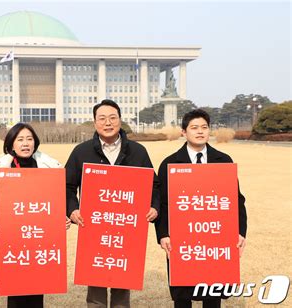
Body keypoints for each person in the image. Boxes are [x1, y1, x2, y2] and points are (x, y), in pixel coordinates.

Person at [65, 99, 160, 308]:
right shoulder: (81, 152)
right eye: (102, 118)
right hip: (94, 227)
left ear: (120, 120)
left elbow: (154, 184)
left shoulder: (138, 151)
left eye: (112, 118)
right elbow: (67, 186)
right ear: (94, 123)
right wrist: (72, 209)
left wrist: (155, 206)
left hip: (126, 228)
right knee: (95, 280)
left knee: (122, 280)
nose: (108, 123)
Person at [155, 109, 247, 308]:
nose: (200, 132)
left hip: (214, 238)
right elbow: (162, 204)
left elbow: (236, 200)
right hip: (181, 241)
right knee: (182, 295)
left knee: (212, 294)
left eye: (204, 127)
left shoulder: (223, 161)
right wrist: (163, 234)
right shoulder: (169, 164)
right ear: (183, 132)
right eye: (194, 128)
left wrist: (239, 232)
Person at [0, 122, 71, 308]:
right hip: (12, 240)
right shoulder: (1, 168)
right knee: (15, 296)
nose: (25, 143)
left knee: (36, 292)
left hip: (38, 241)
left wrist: (60, 220)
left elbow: (55, 204)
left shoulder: (47, 166)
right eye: (20, 139)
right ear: (11, 144)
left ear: (35, 142)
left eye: (29, 139)